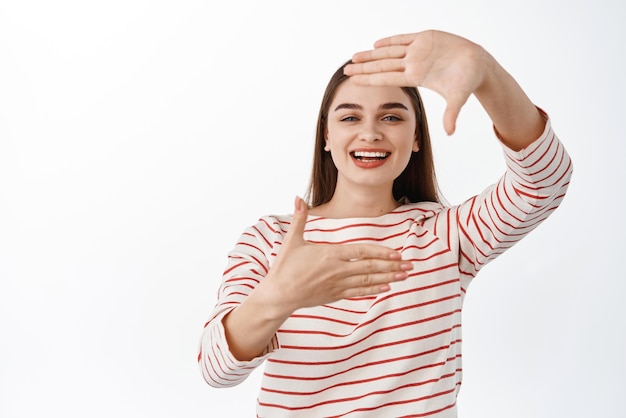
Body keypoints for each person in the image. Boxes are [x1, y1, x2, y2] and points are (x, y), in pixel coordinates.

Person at [198, 30, 573, 417]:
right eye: (350, 116)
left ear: (415, 138)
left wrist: (488, 75)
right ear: (327, 135)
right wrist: (279, 296)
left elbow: (544, 182)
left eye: (391, 116)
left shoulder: (447, 235)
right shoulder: (270, 239)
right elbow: (214, 369)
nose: (371, 132)